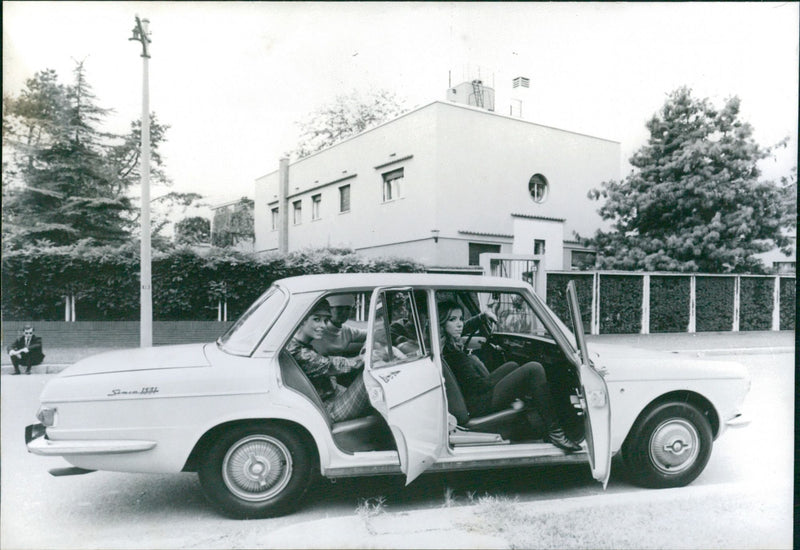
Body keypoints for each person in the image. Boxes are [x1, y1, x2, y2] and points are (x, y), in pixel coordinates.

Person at [437, 300, 581, 452]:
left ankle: (534, 414)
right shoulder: (454, 354)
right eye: (453, 320)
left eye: (461, 318)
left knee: (512, 365)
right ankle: (556, 433)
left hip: (474, 396)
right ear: (442, 324)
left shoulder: (447, 345)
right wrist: (510, 387)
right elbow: (478, 386)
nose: (460, 324)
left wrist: (481, 318)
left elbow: (461, 328)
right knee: (534, 369)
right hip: (477, 404)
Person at [286, 300, 371, 422]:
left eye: (326, 321)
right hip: (327, 408)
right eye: (316, 319)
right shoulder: (297, 351)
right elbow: (335, 365)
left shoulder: (300, 344)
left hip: (332, 395)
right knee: (370, 377)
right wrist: (366, 357)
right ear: (302, 320)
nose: (323, 326)